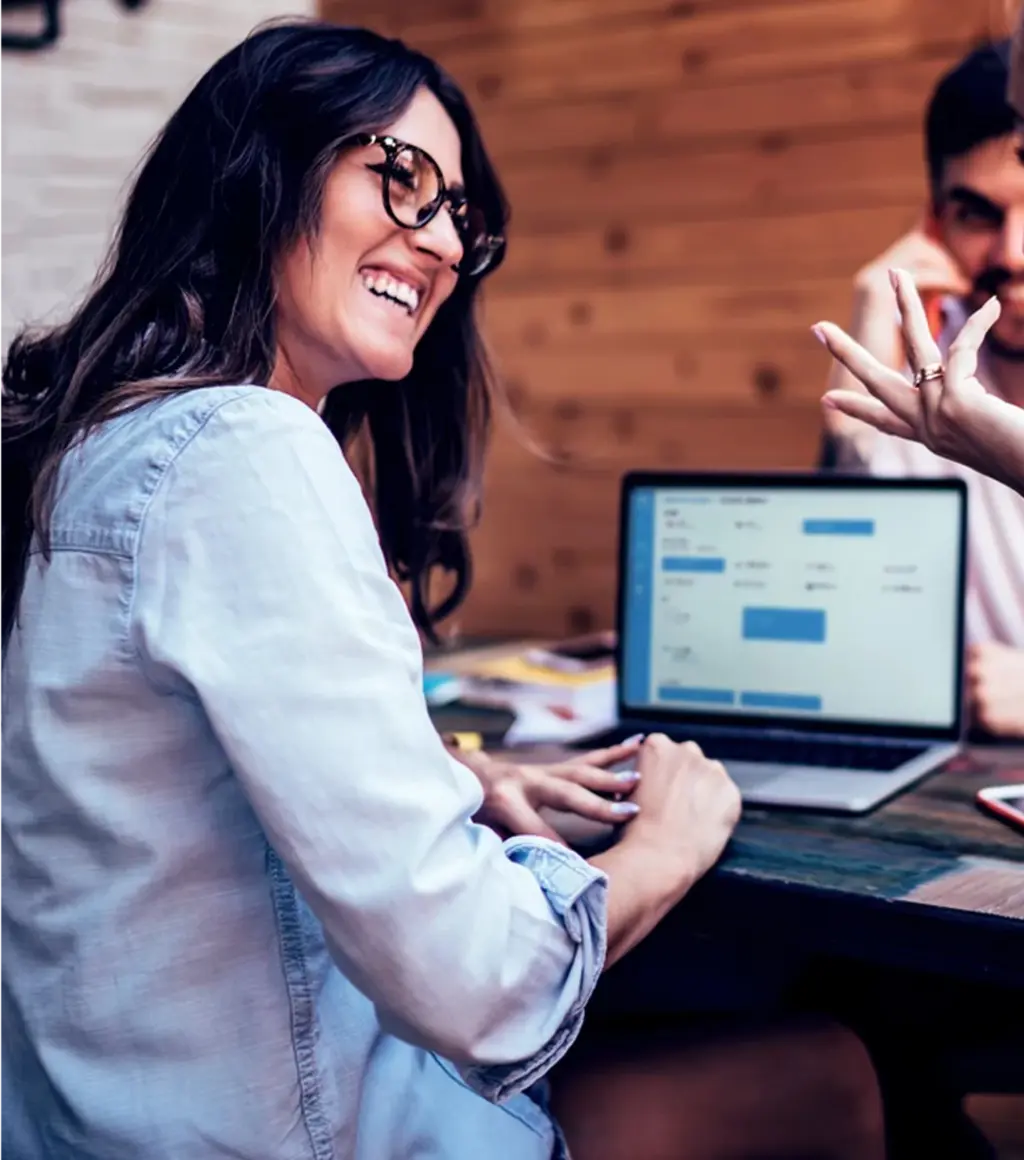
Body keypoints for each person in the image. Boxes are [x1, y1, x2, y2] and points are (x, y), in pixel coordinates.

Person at [0, 20, 883, 1160]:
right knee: (838, 1066)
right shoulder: (246, 450)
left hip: (93, 1117)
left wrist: (451, 778)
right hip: (286, 1128)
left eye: (458, 211)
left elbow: (151, 785)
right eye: (401, 177)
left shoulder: (96, 443)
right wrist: (665, 839)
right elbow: (472, 977)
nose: (439, 242)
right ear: (260, 169)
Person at [822, 40, 1024, 738]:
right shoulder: (933, 372)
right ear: (935, 219)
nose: (1013, 253)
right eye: (977, 214)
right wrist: (868, 330)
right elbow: (841, 617)